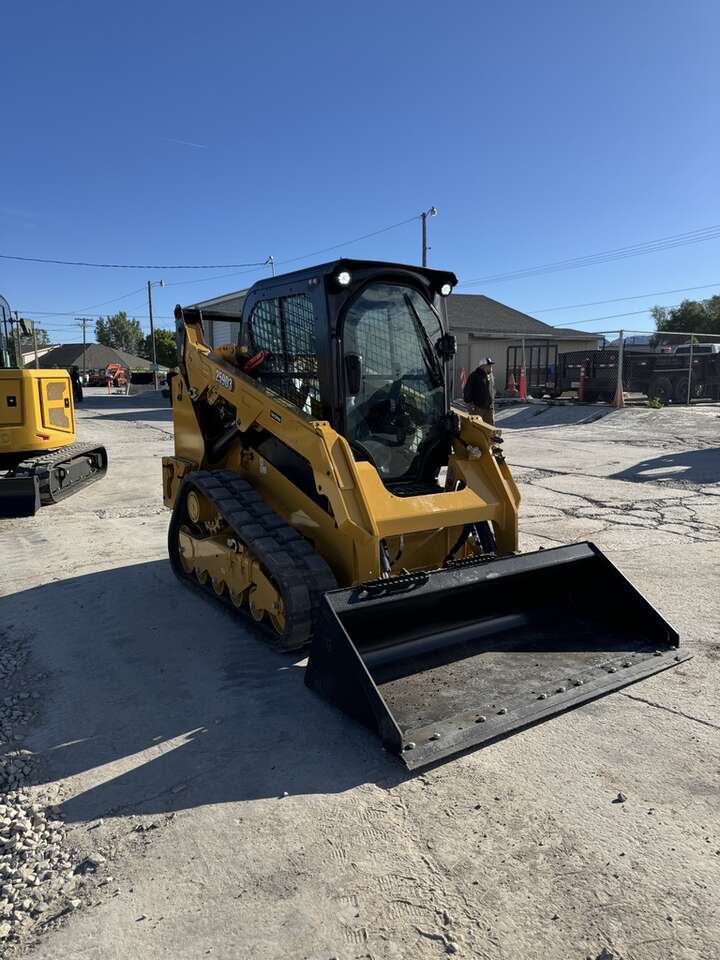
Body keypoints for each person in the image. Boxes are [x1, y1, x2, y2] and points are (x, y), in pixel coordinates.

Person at [463, 357, 496, 424]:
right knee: (477, 428)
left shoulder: (489, 376)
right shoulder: (474, 376)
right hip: (477, 408)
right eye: (489, 365)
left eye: (490, 365)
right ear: (482, 366)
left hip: (488, 408)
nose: (490, 367)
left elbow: (492, 390)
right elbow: (467, 391)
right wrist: (470, 404)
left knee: (490, 429)